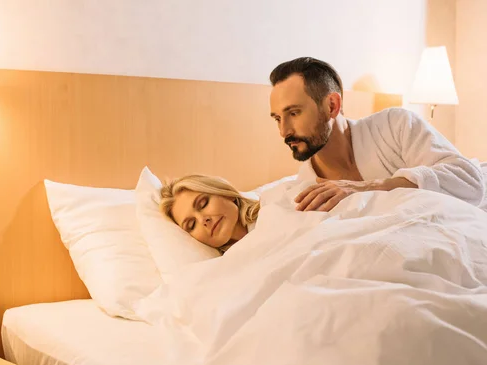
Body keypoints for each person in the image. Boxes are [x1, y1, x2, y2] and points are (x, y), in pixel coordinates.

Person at [269, 57, 486, 212]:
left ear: (332, 106)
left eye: (294, 113)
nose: (283, 131)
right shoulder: (306, 188)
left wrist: (366, 187)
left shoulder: (394, 125)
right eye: (278, 118)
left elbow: (470, 181)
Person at [159, 175, 259, 252]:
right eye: (192, 225)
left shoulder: (272, 208)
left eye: (203, 204)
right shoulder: (222, 272)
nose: (203, 220)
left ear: (225, 193)